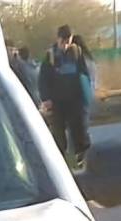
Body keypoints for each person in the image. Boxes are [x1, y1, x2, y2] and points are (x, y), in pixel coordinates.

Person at [39, 24, 92, 168]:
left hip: (75, 101)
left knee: (79, 130)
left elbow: (84, 74)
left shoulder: (77, 53)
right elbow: (43, 79)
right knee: (59, 135)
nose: (65, 45)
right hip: (57, 103)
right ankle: (60, 164)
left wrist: (85, 95)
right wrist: (46, 98)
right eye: (63, 42)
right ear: (58, 39)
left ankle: (81, 159)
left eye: (68, 41)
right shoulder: (50, 56)